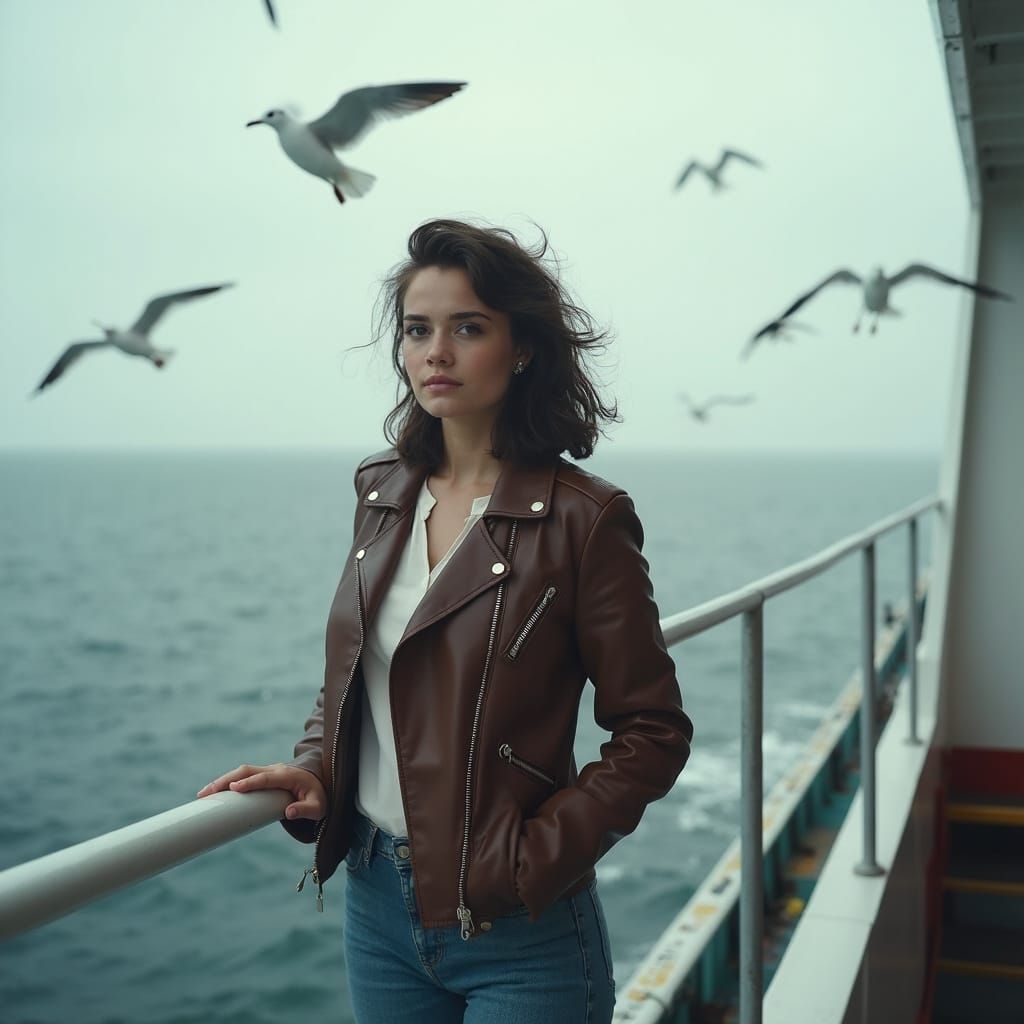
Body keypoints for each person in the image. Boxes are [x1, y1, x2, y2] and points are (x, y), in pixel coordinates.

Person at [197, 219, 694, 1023]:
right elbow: (362, 672)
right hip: (375, 905)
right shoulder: (381, 491)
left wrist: (531, 862)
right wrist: (316, 768)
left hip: (521, 930)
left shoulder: (585, 520)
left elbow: (653, 730)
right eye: (418, 330)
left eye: (468, 327)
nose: (437, 352)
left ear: (521, 346)